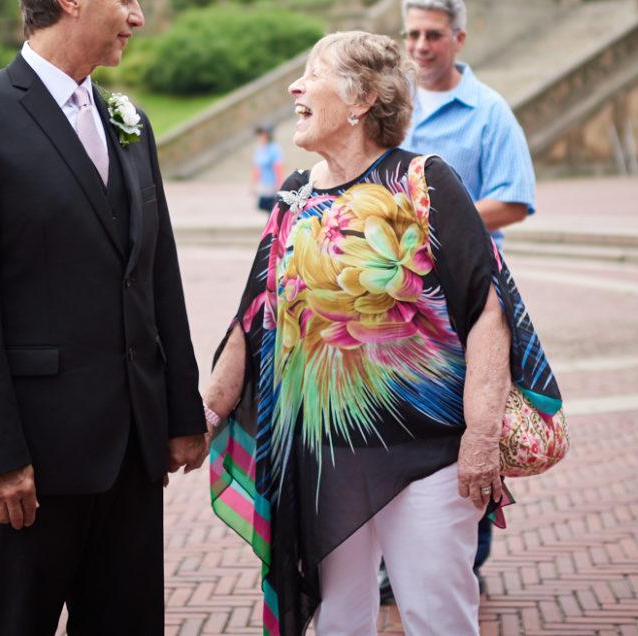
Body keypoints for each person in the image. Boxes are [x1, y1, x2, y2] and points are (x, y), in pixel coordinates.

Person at [201, 31, 561, 636]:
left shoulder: (423, 181)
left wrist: (481, 436)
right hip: (323, 454)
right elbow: (255, 310)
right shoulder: (293, 193)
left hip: (426, 453)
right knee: (339, 620)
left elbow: (487, 309)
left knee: (436, 613)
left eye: (313, 73)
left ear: (362, 98)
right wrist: (209, 410)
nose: (295, 86)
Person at [0, 0, 206, 634]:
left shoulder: (127, 120)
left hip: (133, 454)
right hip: (30, 463)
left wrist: (178, 411)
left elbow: (155, 271)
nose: (137, 17)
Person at [398, 0, 535, 581]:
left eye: (432, 34)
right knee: (399, 418)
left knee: (468, 422)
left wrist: (435, 216)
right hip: (395, 293)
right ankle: (397, 554)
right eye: (411, 34)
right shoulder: (389, 102)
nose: (420, 46)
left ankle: (467, 555)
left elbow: (515, 201)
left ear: (459, 38)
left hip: (467, 294)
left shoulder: (489, 111)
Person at [251, 125, 284, 212]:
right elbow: (257, 167)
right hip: (263, 183)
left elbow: (278, 167)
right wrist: (254, 184)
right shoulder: (260, 149)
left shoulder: (274, 148)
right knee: (263, 205)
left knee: (272, 207)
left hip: (272, 183)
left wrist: (279, 184)